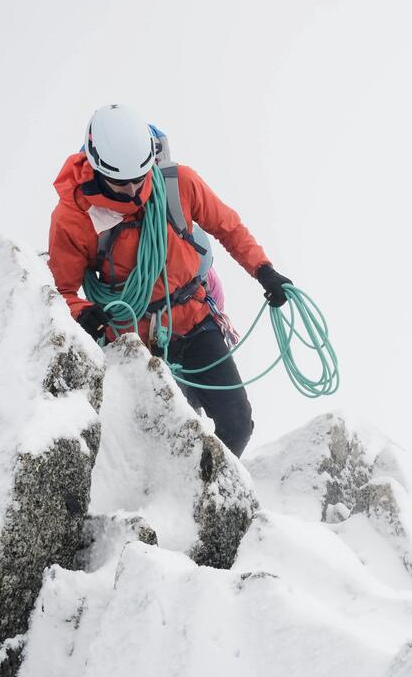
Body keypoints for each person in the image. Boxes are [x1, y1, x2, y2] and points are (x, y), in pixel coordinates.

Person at [47, 104, 290, 457]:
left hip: (195, 321)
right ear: (97, 166)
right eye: (121, 181)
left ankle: (213, 495)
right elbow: (61, 291)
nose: (133, 190)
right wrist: (82, 312)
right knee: (168, 442)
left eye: (140, 177)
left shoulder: (177, 183)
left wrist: (263, 270)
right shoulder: (74, 217)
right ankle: (176, 504)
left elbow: (228, 227)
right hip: (134, 339)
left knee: (238, 424)